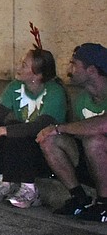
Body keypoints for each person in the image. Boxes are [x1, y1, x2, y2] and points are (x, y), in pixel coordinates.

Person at [0, 45, 66, 208]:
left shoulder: (55, 91)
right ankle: (5, 182)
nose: (18, 67)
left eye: (24, 65)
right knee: (2, 128)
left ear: (38, 74)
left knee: (17, 131)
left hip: (46, 150)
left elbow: (39, 125)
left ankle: (30, 189)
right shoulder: (14, 87)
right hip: (19, 149)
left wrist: (5, 131)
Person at [37, 43, 107, 220]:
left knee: (94, 141)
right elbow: (77, 132)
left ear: (91, 70)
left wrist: (59, 127)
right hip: (95, 162)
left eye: (74, 64)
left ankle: (104, 204)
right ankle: (79, 198)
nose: (69, 69)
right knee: (50, 140)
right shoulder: (82, 99)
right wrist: (53, 132)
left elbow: (102, 125)